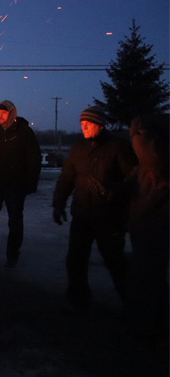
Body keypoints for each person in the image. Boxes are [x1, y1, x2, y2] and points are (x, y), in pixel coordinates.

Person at [52, 106, 136, 312]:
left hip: (109, 217)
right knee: (76, 259)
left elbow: (134, 179)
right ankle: (78, 299)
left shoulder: (118, 147)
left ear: (100, 124)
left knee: (115, 260)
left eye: (88, 124)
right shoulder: (78, 149)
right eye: (82, 124)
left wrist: (113, 191)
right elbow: (66, 179)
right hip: (82, 214)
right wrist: (59, 203)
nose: (84, 127)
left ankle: (134, 303)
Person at [124, 114, 168, 338]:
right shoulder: (141, 169)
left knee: (151, 280)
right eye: (133, 135)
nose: (135, 141)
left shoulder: (163, 170)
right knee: (141, 279)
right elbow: (126, 189)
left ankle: (151, 329)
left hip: (156, 234)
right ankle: (141, 323)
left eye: (139, 134)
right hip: (140, 232)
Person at [0, 100, 41, 268]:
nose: (0, 116)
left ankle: (12, 254)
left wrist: (31, 183)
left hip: (15, 184)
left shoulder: (24, 132)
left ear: (12, 113)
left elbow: (34, 159)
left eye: (4, 112)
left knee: (15, 221)